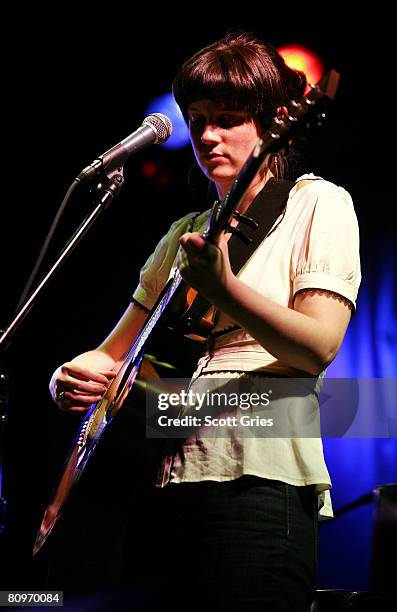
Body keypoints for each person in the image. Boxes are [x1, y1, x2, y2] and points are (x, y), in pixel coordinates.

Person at [47, 32, 361, 611]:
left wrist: (225, 290)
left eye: (228, 118)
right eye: (198, 120)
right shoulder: (184, 232)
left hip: (257, 485)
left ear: (272, 124)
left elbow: (317, 347)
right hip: (158, 487)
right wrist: (68, 376)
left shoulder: (319, 204)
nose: (208, 135)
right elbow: (109, 353)